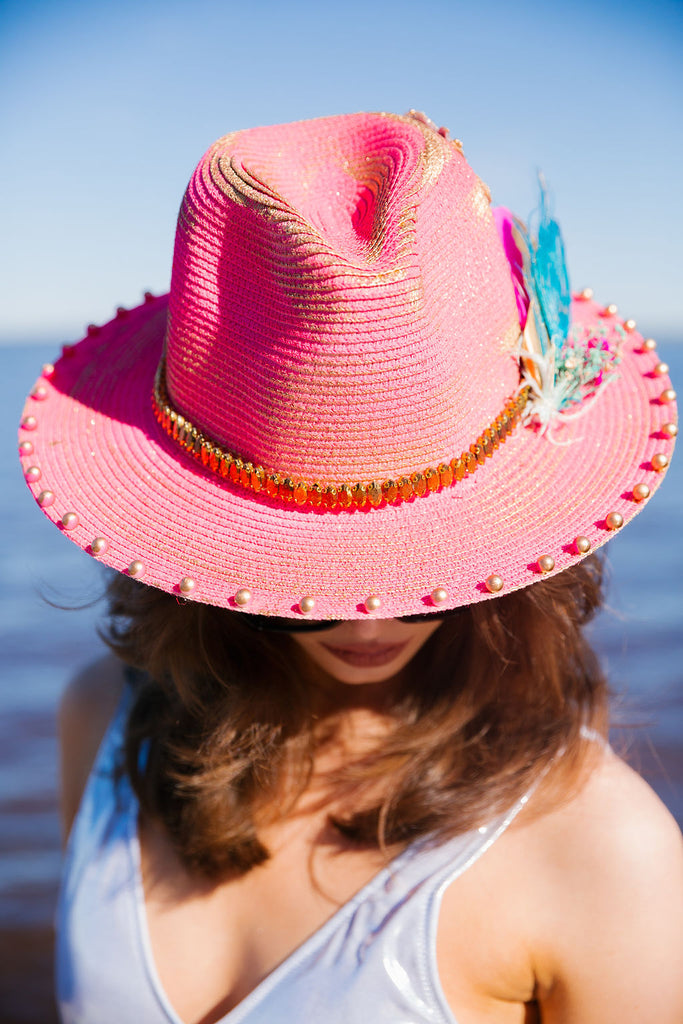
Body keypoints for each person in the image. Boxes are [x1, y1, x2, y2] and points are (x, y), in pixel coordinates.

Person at [19, 110, 682, 1023]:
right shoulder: (100, 718)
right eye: (304, 593)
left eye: (430, 581)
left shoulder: (598, 848)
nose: (370, 622)